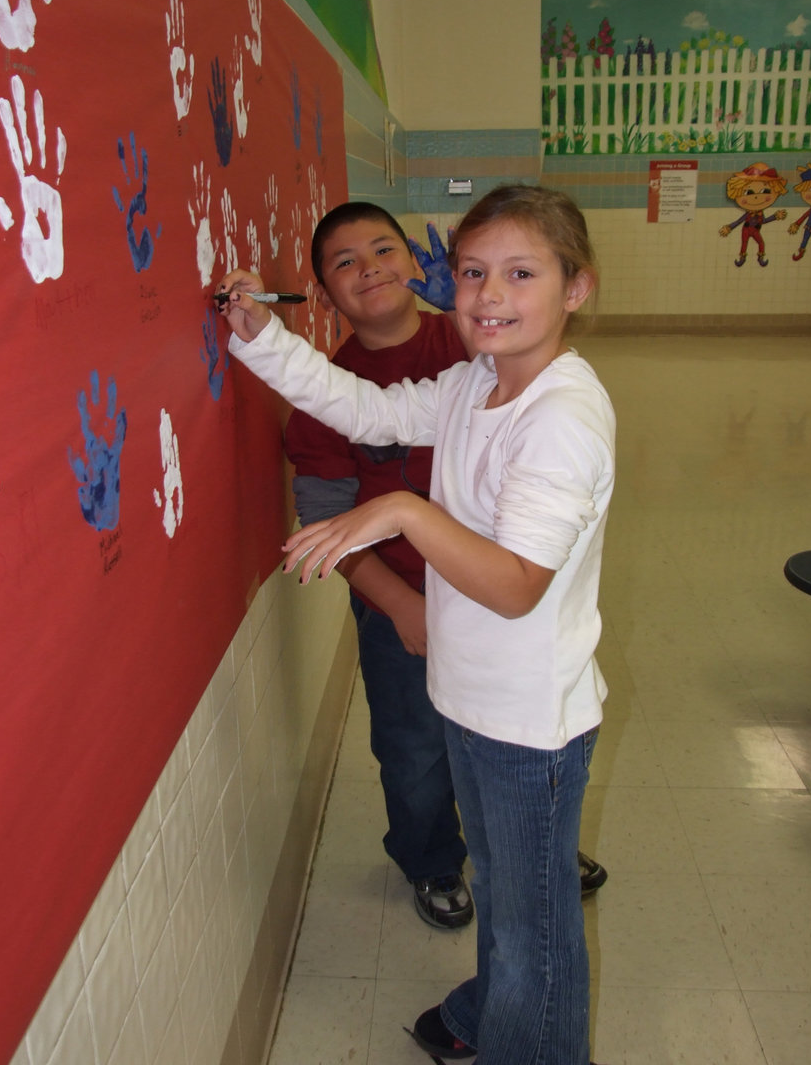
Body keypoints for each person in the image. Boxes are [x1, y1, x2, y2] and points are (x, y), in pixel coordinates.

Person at [219, 185, 615, 1065]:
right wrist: (262, 337)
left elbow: (514, 587)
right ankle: (487, 1007)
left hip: (527, 725)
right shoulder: (476, 381)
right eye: (472, 272)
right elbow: (371, 410)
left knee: (535, 930)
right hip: (470, 699)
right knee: (507, 894)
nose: (489, 294)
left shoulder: (562, 417)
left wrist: (401, 509)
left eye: (520, 273)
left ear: (576, 287)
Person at [285, 201, 607, 928]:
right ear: (326, 296)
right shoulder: (338, 390)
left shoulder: (473, 346)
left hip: (496, 605)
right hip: (401, 598)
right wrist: (400, 604)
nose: (370, 269)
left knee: (501, 757)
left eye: (384, 249)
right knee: (417, 749)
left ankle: (532, 847)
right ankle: (435, 856)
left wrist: (466, 309)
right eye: (344, 263)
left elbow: (534, 385)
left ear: (417, 261)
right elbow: (334, 491)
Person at [718, 162, 787, 267]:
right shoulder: (749, 214)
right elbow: (739, 221)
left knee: (761, 243)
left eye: (765, 191)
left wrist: (775, 216)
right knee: (744, 243)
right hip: (746, 229)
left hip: (755, 230)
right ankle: (742, 258)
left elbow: (764, 221)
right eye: (748, 192)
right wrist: (729, 227)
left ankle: (760, 258)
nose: (756, 197)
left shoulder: (760, 213)